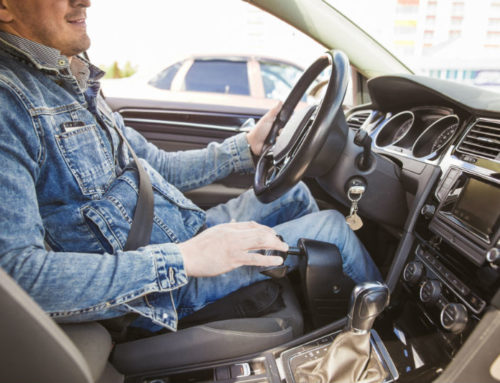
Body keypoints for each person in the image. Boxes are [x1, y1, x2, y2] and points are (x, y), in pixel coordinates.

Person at [0, 0, 381, 333]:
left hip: (187, 233)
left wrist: (246, 148)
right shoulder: (9, 103)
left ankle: (323, 316)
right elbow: (19, 277)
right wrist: (185, 258)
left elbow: (158, 166)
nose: (84, 1)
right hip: (160, 292)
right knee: (332, 230)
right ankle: (387, 332)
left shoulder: (70, 82)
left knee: (294, 193)